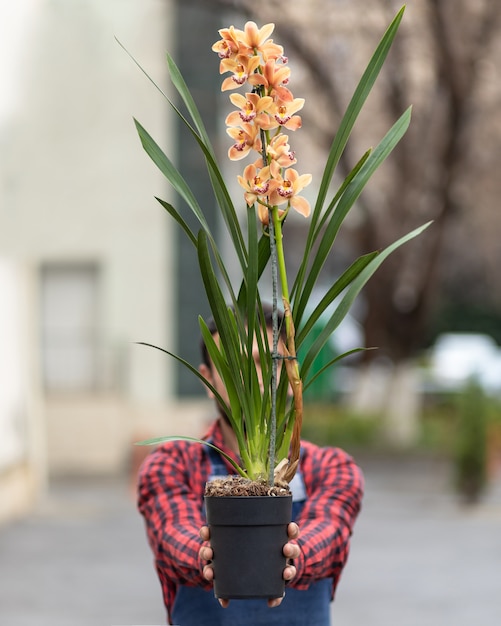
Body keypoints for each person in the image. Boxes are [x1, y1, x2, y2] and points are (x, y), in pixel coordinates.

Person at [137, 306, 364, 625]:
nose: (249, 378)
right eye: (233, 367)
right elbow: (172, 534)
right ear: (208, 379)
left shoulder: (329, 467)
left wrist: (292, 558)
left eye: (264, 362)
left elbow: (330, 531)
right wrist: (207, 558)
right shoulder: (173, 464)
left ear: (291, 374)